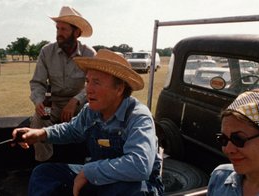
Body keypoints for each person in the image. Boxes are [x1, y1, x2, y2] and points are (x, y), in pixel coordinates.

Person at [13, 49, 164, 196]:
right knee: (43, 174)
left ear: (119, 89)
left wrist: (89, 172)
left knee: (127, 191)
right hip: (98, 176)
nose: (88, 89)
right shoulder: (91, 110)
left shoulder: (138, 117)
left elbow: (140, 166)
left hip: (135, 183)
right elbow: (72, 130)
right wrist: (41, 133)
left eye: (96, 82)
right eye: (87, 81)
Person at [29, 6, 96, 161]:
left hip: (80, 103)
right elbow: (37, 82)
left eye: (64, 29)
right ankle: (44, 163)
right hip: (53, 103)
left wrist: (75, 100)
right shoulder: (47, 51)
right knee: (38, 120)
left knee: (96, 119)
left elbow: (93, 85)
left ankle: (91, 162)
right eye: (58, 28)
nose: (59, 33)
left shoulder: (89, 54)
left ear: (77, 33)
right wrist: (39, 101)